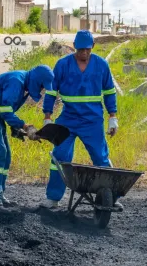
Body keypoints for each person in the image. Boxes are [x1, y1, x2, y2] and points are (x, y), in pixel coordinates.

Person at [42, 30, 119, 209]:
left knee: (101, 158)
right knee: (60, 157)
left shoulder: (101, 65)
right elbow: (52, 92)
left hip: (92, 120)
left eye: (87, 49)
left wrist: (112, 116)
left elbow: (109, 92)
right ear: (74, 47)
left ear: (92, 46)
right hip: (68, 119)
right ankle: (53, 198)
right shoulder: (62, 65)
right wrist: (48, 117)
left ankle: (111, 196)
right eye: (80, 50)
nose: (83, 53)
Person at [0, 65, 54, 208]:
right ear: (36, 80)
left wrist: (16, 128)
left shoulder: (23, 85)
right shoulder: (16, 81)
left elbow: (5, 109)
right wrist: (25, 127)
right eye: (41, 86)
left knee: (6, 154)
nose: (41, 90)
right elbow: (6, 110)